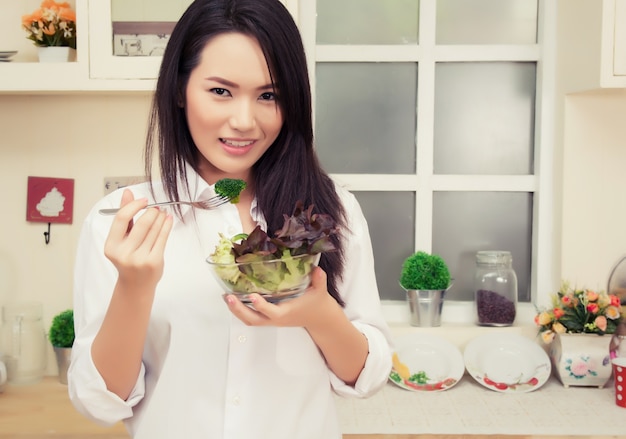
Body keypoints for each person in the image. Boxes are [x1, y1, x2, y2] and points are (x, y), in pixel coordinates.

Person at [68, 0, 393, 438]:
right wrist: (134, 286)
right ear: (180, 91)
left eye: (268, 95)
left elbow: (366, 377)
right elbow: (100, 401)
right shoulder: (121, 222)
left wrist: (320, 313)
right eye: (220, 91)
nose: (244, 121)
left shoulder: (334, 211)